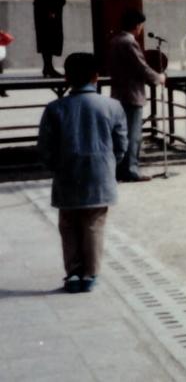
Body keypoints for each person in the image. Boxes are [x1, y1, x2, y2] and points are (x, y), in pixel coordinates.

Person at [37, 52, 128, 293]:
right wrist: (110, 163)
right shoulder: (112, 106)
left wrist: (55, 165)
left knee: (68, 224)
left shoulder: (55, 108)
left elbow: (45, 146)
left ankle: (73, 272)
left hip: (67, 172)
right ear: (96, 77)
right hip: (99, 174)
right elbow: (121, 144)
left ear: (66, 77)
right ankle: (91, 272)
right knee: (93, 223)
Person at [108, 9, 165, 182]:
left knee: (120, 134)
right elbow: (141, 67)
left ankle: (118, 168)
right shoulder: (129, 42)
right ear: (138, 25)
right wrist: (159, 78)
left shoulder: (115, 40)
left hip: (118, 92)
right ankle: (130, 170)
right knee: (133, 135)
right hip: (132, 93)